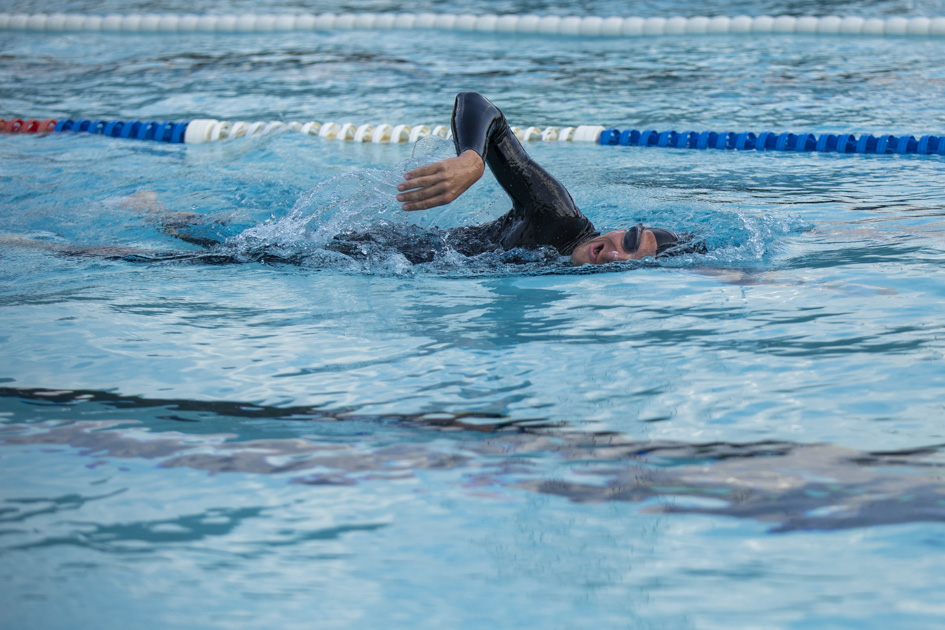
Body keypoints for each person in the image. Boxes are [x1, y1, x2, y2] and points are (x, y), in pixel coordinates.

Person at [396, 91, 695, 265]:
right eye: (630, 240)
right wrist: (472, 159)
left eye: (629, 264)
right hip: (380, 251)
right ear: (622, 227)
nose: (613, 255)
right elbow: (477, 105)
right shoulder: (559, 217)